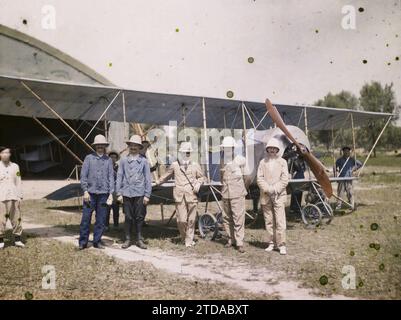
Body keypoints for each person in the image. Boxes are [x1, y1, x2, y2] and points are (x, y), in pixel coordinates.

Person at [157, 142, 205, 247]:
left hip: (192, 195)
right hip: (179, 195)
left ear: (190, 153)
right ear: (180, 153)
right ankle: (185, 238)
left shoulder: (195, 165)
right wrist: (156, 182)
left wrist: (198, 184)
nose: (186, 155)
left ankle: (189, 240)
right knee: (181, 220)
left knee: (192, 219)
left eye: (188, 153)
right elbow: (166, 176)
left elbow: (201, 177)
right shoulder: (175, 165)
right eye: (184, 152)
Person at [79, 135, 114, 250]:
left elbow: (111, 177)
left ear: (105, 147)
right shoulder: (88, 158)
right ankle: (83, 242)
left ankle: (97, 241)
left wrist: (110, 194)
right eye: (98, 145)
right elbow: (83, 176)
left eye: (102, 145)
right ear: (95, 146)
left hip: (104, 194)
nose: (100, 147)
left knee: (101, 219)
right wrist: (85, 191)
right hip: (90, 193)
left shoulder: (108, 160)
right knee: (86, 218)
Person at [117, 135, 152, 250]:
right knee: (128, 217)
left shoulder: (144, 161)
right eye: (131, 145)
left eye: (136, 146)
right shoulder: (123, 160)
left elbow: (148, 179)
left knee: (139, 217)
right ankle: (127, 239)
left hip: (140, 193)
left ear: (139, 147)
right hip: (126, 193)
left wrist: (147, 195)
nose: (133, 148)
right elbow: (120, 177)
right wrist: (119, 193)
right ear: (128, 147)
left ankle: (139, 239)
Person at [257, 138, 289, 255]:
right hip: (266, 195)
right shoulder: (262, 162)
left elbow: (285, 179)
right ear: (267, 149)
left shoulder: (283, 162)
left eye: (274, 149)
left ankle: (281, 245)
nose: (272, 151)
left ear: (277, 150)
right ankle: (271, 243)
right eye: (270, 148)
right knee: (268, 220)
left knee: (280, 221)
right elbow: (259, 178)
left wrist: (275, 189)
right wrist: (267, 189)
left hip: (279, 196)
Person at [220, 136, 248, 253]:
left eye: (229, 148)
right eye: (225, 148)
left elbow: (246, 177)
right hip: (226, 193)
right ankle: (230, 239)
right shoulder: (222, 161)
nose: (227, 150)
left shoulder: (241, 160)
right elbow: (222, 177)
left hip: (237, 193)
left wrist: (241, 190)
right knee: (227, 218)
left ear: (233, 148)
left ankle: (239, 242)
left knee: (238, 218)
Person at [0, 146, 24, 249]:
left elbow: (18, 181)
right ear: (0, 155)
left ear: (10, 154)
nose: (5, 155)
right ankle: (1, 240)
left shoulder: (15, 166)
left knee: (16, 219)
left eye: (7, 153)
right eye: (3, 153)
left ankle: (18, 240)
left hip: (14, 196)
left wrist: (19, 196)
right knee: (1, 220)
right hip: (1, 197)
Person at [105, 151, 120, 230]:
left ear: (116, 159)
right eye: (111, 157)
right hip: (108, 190)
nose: (113, 159)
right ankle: (106, 225)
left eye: (114, 157)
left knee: (116, 209)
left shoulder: (119, 167)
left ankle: (116, 225)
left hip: (116, 190)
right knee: (107, 209)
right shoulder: (106, 167)